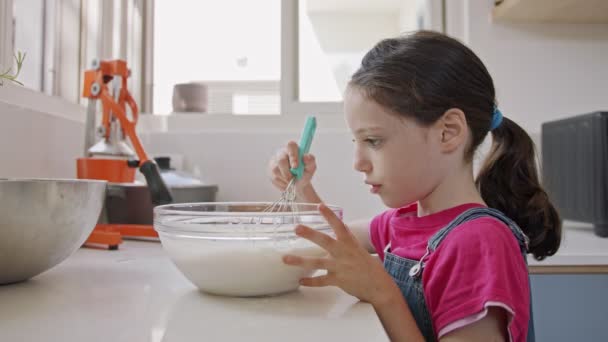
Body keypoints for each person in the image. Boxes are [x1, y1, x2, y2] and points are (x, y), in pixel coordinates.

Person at [269, 31, 561, 342]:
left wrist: (382, 293)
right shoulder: (403, 222)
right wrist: (302, 187)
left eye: (374, 141)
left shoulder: (480, 243)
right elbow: (331, 241)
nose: (358, 162)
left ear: (448, 133)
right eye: (357, 141)